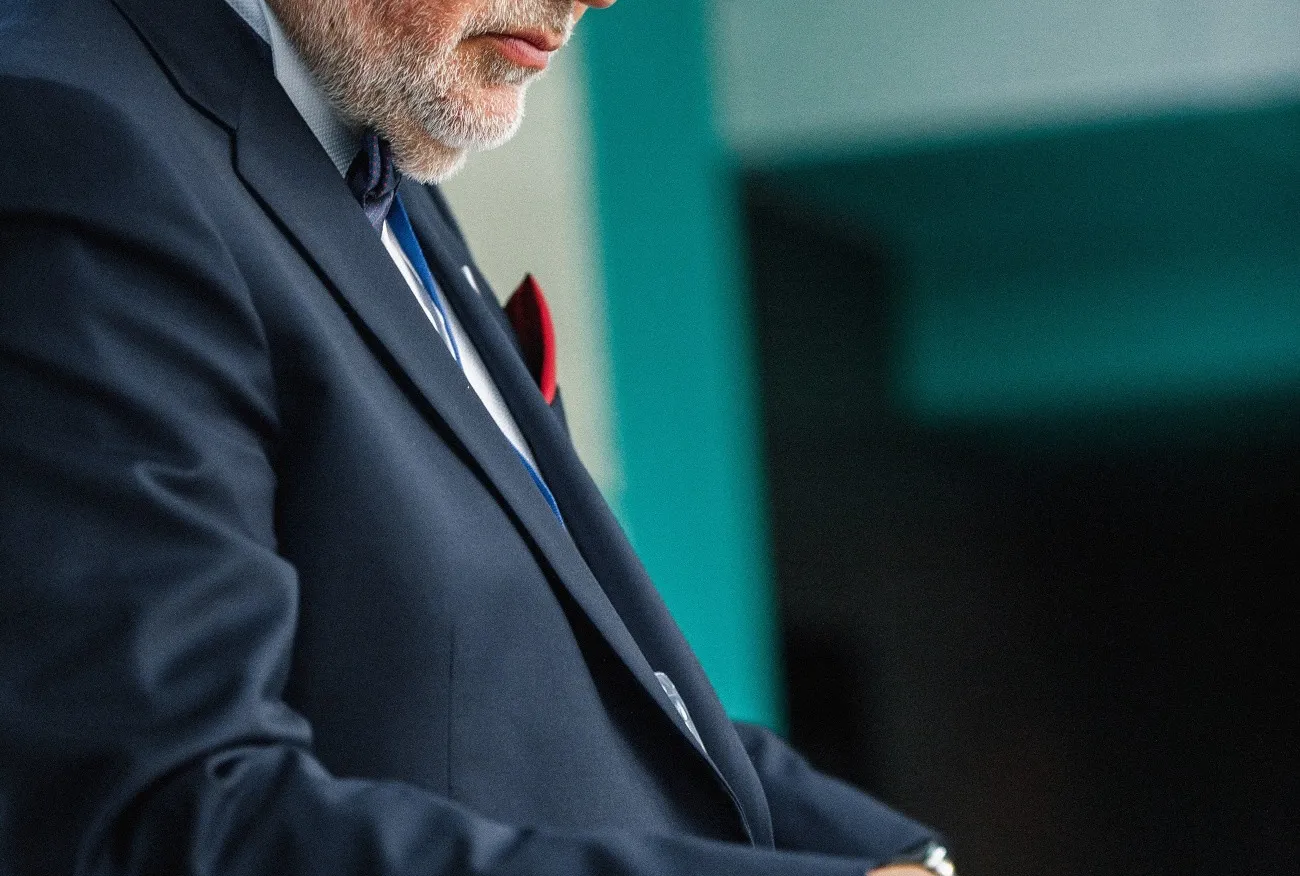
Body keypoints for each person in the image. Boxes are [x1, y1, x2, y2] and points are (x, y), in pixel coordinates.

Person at [0, 0, 954, 873]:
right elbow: (167, 818)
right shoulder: (73, 135)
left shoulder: (370, 141)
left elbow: (581, 693)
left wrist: (903, 860)